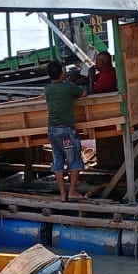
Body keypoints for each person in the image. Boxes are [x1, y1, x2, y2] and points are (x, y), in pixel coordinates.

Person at [42, 61, 87, 202]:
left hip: (52, 131)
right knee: (73, 160)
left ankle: (62, 193)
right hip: (66, 132)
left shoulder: (47, 89)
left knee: (58, 160)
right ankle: (72, 191)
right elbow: (84, 93)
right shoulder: (68, 87)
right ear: (62, 73)